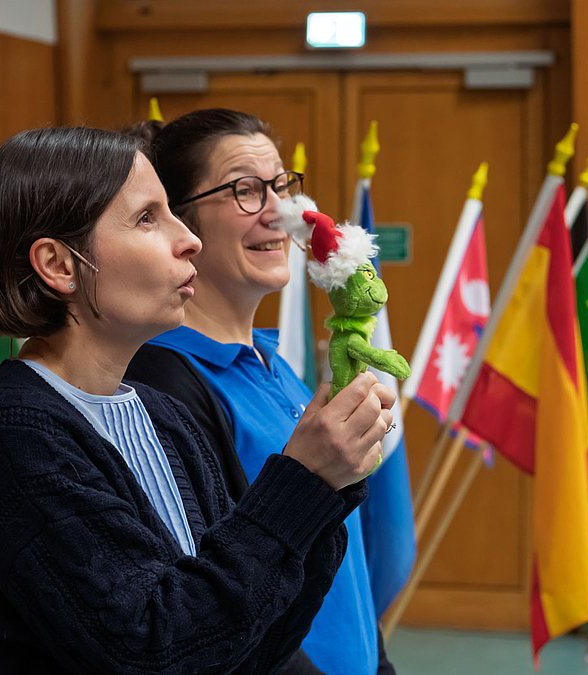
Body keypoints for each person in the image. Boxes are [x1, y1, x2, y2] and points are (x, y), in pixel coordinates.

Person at [0, 126, 395, 674]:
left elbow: (247, 644)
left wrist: (327, 488)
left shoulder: (162, 416)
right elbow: (151, 648)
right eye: (148, 217)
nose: (189, 239)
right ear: (59, 265)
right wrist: (304, 483)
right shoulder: (11, 432)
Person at [124, 109, 396, 675]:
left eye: (281, 186)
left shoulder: (276, 364)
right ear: (180, 220)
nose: (280, 212)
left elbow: (341, 558)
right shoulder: (163, 382)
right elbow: (220, 592)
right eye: (245, 190)